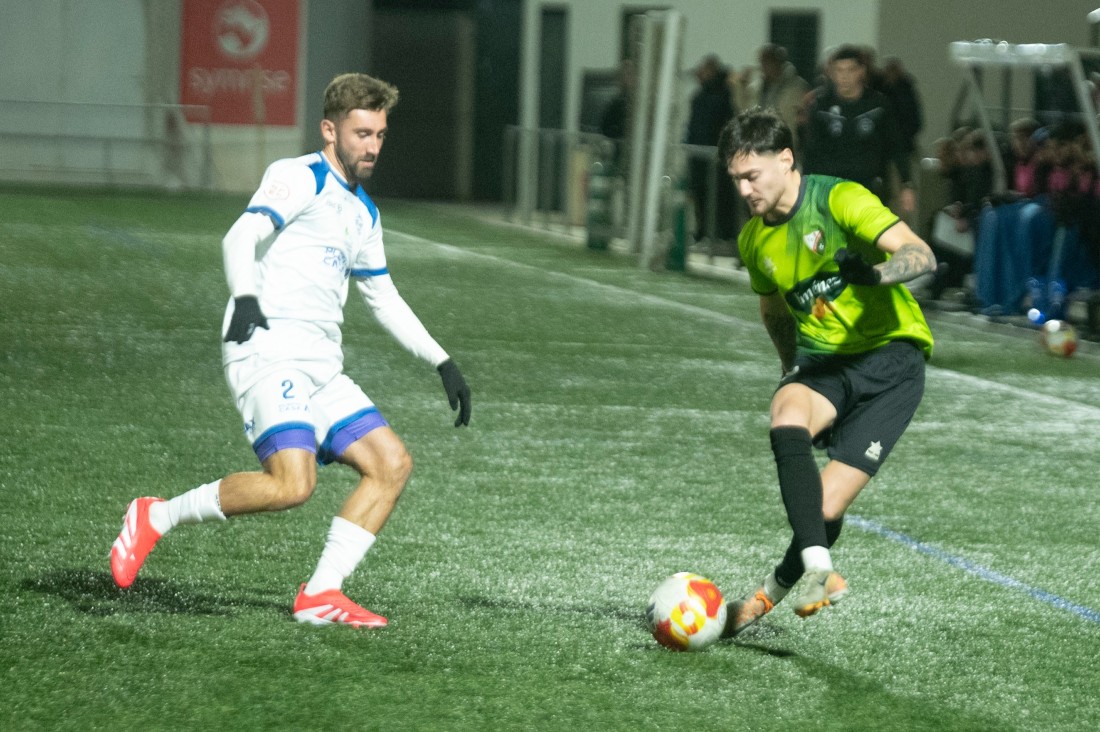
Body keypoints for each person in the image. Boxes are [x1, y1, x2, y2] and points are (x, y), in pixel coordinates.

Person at [109, 73, 472, 628]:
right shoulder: (298, 176)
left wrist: (441, 360)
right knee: (292, 485)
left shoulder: (365, 213)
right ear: (330, 130)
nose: (372, 146)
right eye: (362, 134)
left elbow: (383, 297)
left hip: (321, 366)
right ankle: (155, 516)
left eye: (379, 135)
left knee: (391, 464)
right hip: (266, 349)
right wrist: (246, 297)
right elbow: (240, 236)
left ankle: (321, 593)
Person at [716, 107, 936, 636]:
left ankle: (765, 598)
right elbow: (773, 310)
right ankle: (821, 570)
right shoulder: (753, 240)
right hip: (824, 362)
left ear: (785, 159)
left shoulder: (839, 199)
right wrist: (789, 370)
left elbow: (922, 255)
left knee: (826, 506)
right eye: (736, 179)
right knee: (786, 410)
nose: (744, 190)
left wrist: (876, 274)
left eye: (752, 176)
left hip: (891, 362)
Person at [802, 45, 916, 215]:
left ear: (862, 71)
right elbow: (811, 152)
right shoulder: (821, 107)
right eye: (839, 70)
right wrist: (806, 190)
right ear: (831, 73)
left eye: (851, 70)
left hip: (870, 190)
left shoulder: (878, 106)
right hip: (831, 191)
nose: (844, 76)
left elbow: (896, 146)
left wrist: (906, 184)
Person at [685, 54, 737, 246]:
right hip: (698, 155)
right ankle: (703, 231)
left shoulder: (723, 94)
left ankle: (721, 234)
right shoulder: (699, 96)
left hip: (716, 156)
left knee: (718, 195)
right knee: (700, 194)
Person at [729, 44, 810, 153]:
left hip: (786, 145)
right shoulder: (757, 88)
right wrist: (740, 87)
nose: (763, 68)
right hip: (760, 144)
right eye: (762, 63)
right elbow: (744, 111)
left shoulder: (796, 87)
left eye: (767, 63)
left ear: (778, 62)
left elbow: (804, 119)